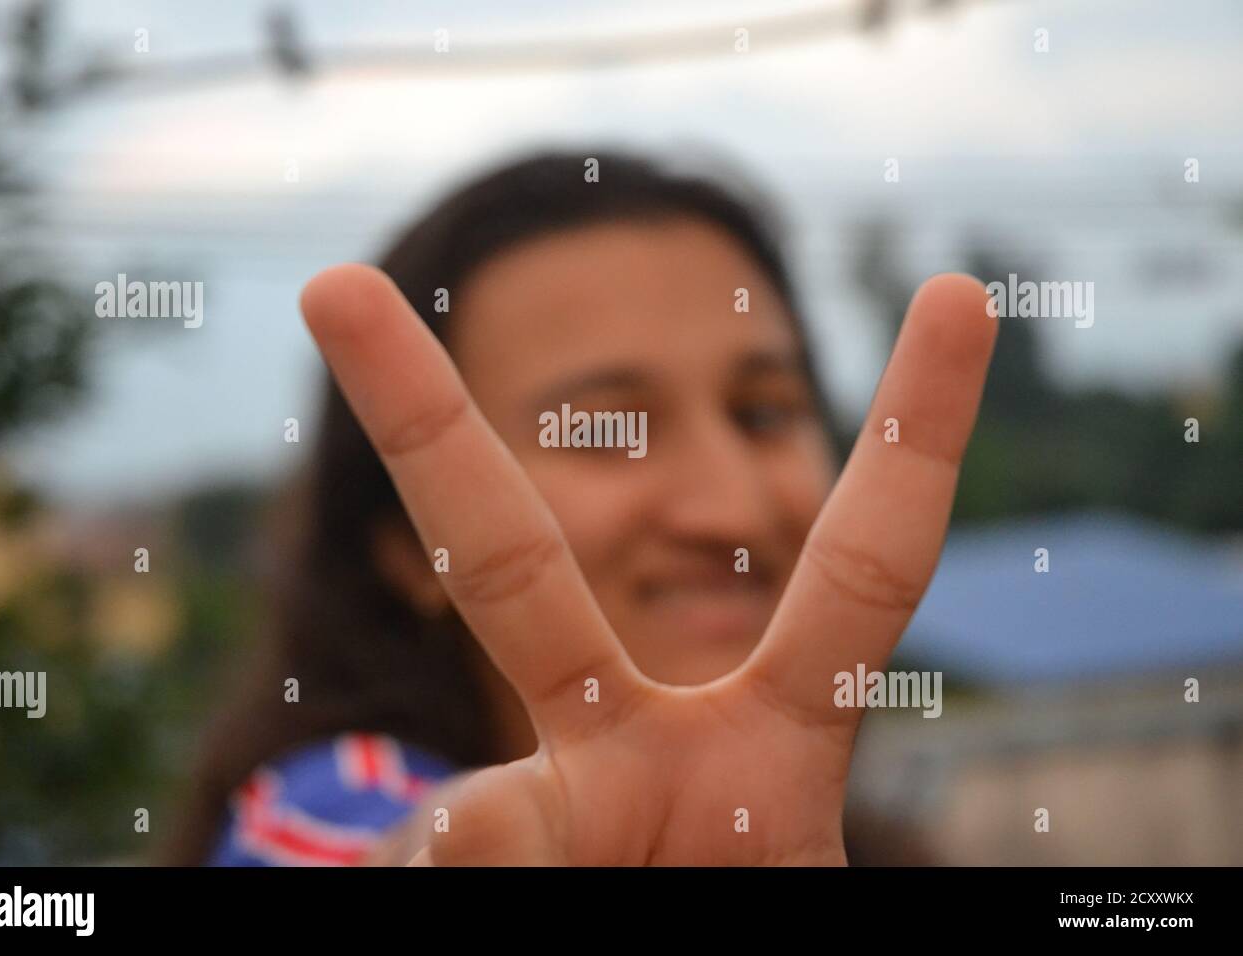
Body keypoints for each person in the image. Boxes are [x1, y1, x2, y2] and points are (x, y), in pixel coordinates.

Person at [165, 148, 996, 866]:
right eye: (607, 429)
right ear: (412, 547)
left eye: (765, 412)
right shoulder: (325, 805)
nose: (732, 513)